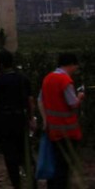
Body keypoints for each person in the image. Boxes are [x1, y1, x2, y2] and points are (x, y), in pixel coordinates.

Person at [0, 50, 34, 189]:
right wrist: (31, 118)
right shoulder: (22, 78)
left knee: (10, 156)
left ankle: (17, 184)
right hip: (20, 119)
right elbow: (30, 101)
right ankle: (32, 182)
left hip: (4, 121)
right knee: (25, 153)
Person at [40, 52, 86, 189]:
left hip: (53, 130)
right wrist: (80, 97)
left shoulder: (47, 78)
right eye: (75, 66)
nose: (76, 69)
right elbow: (72, 103)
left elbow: (41, 100)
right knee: (64, 166)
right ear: (71, 65)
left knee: (55, 163)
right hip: (67, 130)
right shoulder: (65, 81)